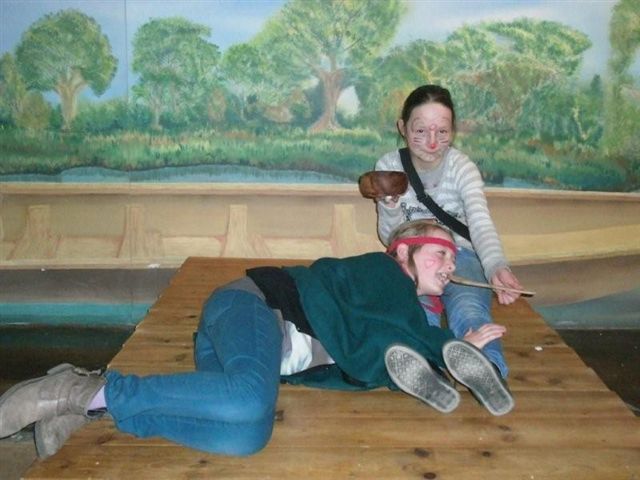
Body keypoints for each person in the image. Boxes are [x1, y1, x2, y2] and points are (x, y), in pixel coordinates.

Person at [0, 220, 513, 460]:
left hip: (240, 346)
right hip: (252, 307)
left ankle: (94, 411)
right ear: (403, 251)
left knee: (247, 436)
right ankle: (79, 388)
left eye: (453, 260)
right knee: (249, 399)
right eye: (439, 253)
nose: (449, 264)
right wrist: (453, 345)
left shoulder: (396, 317)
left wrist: (449, 352)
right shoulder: (382, 274)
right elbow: (403, 334)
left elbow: (388, 349)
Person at [374, 84, 523, 379]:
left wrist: (496, 266)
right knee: (413, 308)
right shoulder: (389, 166)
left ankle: (487, 371)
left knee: (469, 308)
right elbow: (391, 238)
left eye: (442, 132)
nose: (432, 142)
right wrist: (389, 207)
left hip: (459, 252)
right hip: (412, 257)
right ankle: (426, 370)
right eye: (420, 131)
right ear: (403, 128)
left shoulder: (461, 167)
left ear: (453, 130)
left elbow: (480, 222)